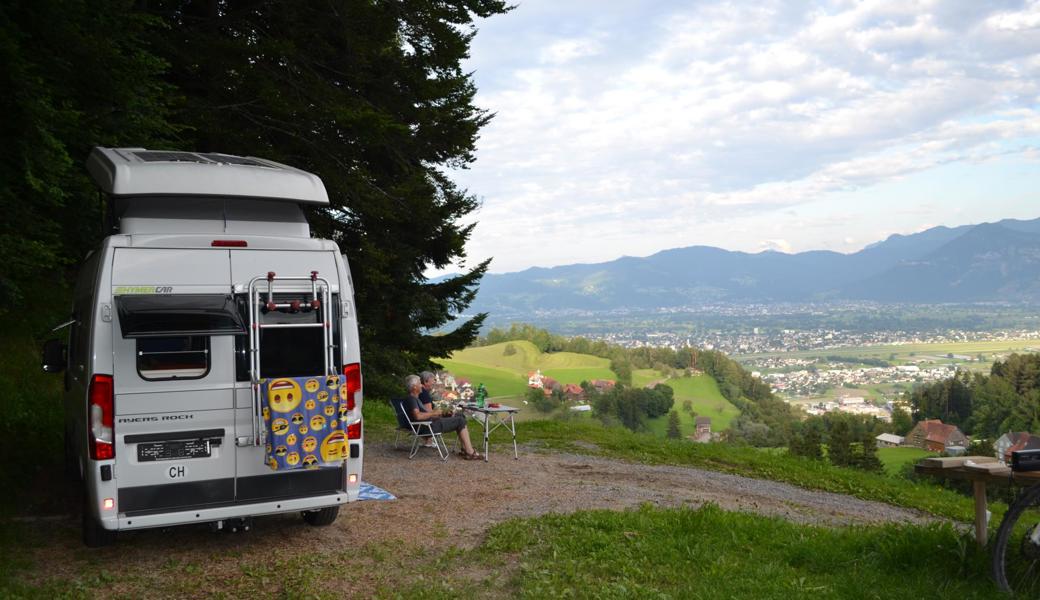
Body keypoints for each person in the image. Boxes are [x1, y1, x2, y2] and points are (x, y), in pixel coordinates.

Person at [403, 374, 482, 460]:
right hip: (427, 427)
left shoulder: (415, 399)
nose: (421, 385)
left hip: (428, 424)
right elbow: (418, 416)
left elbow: (424, 414)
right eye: (419, 383)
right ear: (414, 387)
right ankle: (470, 452)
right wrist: (434, 413)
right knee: (460, 421)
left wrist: (442, 414)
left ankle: (465, 449)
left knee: (459, 415)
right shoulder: (412, 399)